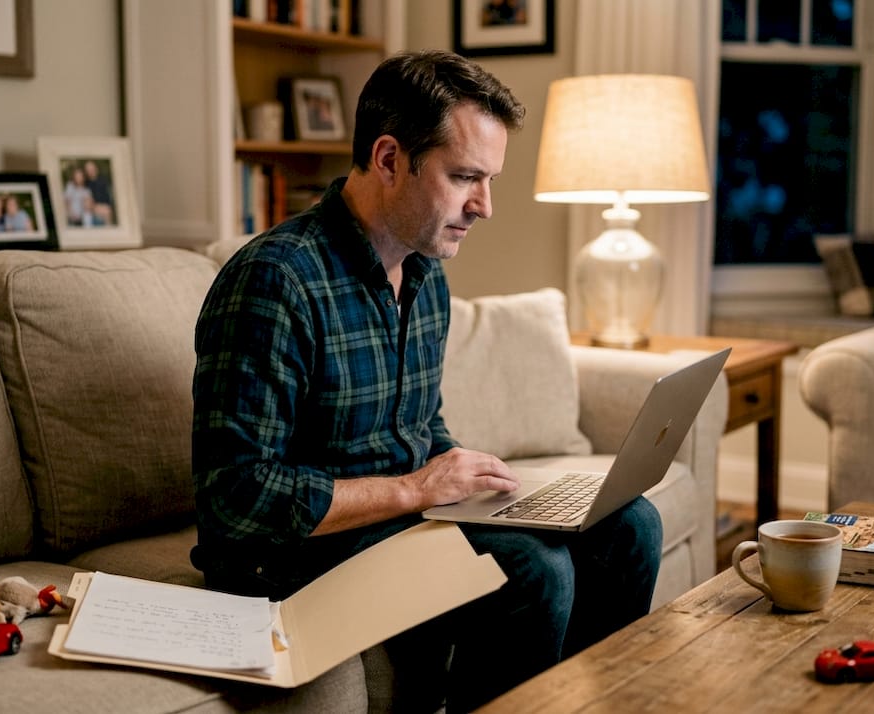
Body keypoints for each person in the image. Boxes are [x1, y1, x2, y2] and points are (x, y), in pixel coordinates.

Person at [191, 49, 663, 713]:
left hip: (398, 525)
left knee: (629, 523)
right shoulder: (275, 281)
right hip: (292, 560)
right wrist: (417, 488)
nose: (485, 206)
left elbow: (416, 426)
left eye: (489, 179)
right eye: (465, 176)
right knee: (532, 571)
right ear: (389, 160)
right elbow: (234, 498)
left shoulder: (424, 274)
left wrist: (476, 481)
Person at [82, 160, 116, 226]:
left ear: (96, 169)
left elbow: (109, 198)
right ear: (86, 172)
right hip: (92, 207)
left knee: (107, 211)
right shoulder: (86, 184)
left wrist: (107, 206)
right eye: (88, 170)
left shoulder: (104, 180)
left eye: (91, 168)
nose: (90, 171)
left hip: (105, 207)